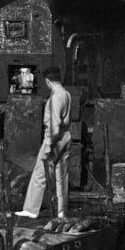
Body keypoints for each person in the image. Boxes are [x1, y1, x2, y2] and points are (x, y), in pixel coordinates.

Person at [16, 66, 72, 219]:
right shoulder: (67, 94)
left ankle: (31, 209)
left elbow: (54, 125)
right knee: (62, 175)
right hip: (66, 136)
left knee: (40, 174)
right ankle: (62, 211)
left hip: (54, 139)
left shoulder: (55, 98)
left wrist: (48, 145)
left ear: (48, 81)